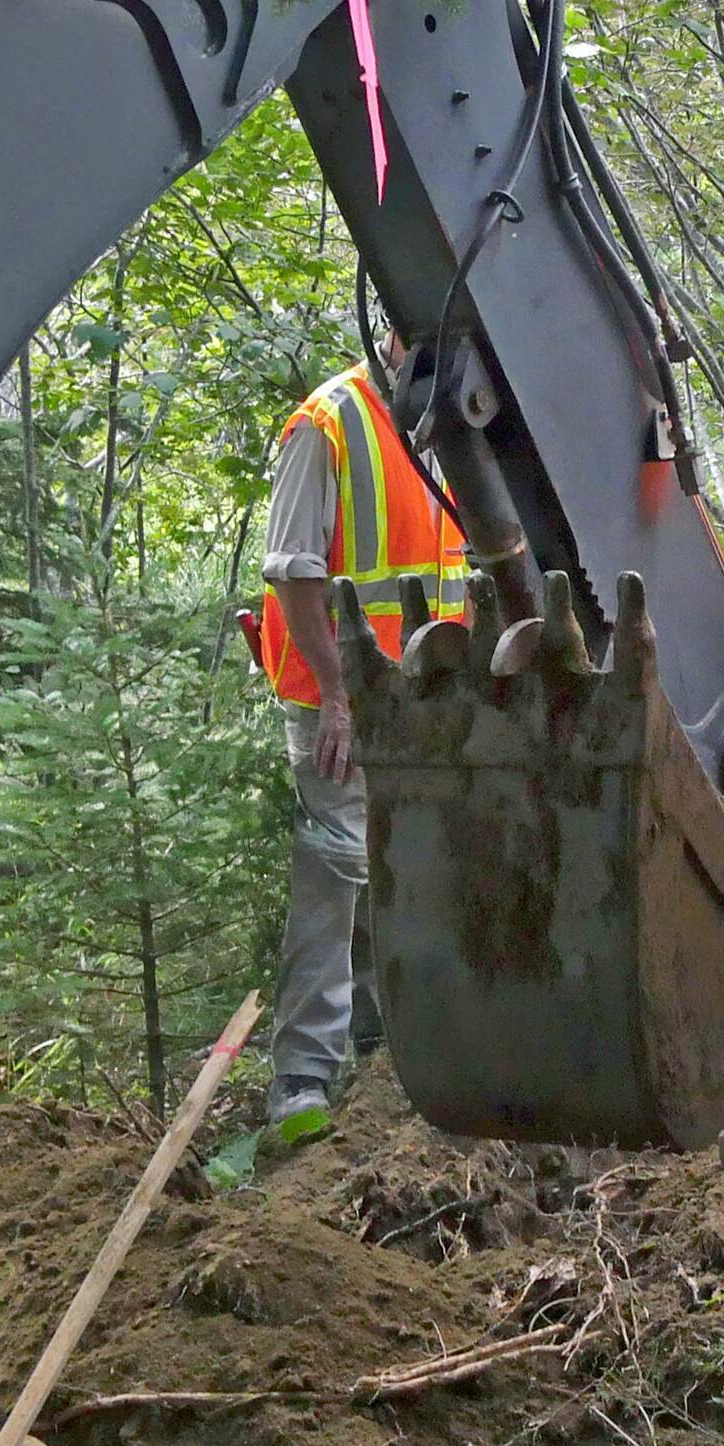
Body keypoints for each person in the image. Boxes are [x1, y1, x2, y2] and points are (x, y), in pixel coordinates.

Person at [253, 335, 468, 1126]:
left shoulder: (446, 425)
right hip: (335, 699)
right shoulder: (329, 423)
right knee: (337, 867)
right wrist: (341, 695)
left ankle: (390, 1061)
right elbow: (293, 568)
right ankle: (303, 1081)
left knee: (403, 867)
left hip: (422, 699)